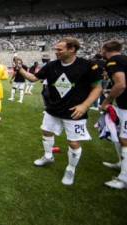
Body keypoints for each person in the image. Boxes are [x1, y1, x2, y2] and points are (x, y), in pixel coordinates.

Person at [15, 37, 102, 185]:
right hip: (53, 109)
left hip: (75, 111)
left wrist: (85, 105)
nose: (56, 52)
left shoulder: (87, 65)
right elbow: (33, 78)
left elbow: (97, 88)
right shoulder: (51, 65)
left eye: (59, 49)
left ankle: (70, 169)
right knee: (46, 131)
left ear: (72, 49)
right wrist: (20, 68)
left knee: (73, 143)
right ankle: (48, 156)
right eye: (56, 49)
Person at [101, 40, 127, 189]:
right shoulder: (124, 59)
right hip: (124, 105)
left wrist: (107, 101)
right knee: (121, 136)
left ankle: (124, 179)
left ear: (105, 49)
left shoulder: (113, 61)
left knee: (125, 139)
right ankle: (121, 164)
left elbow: (121, 84)